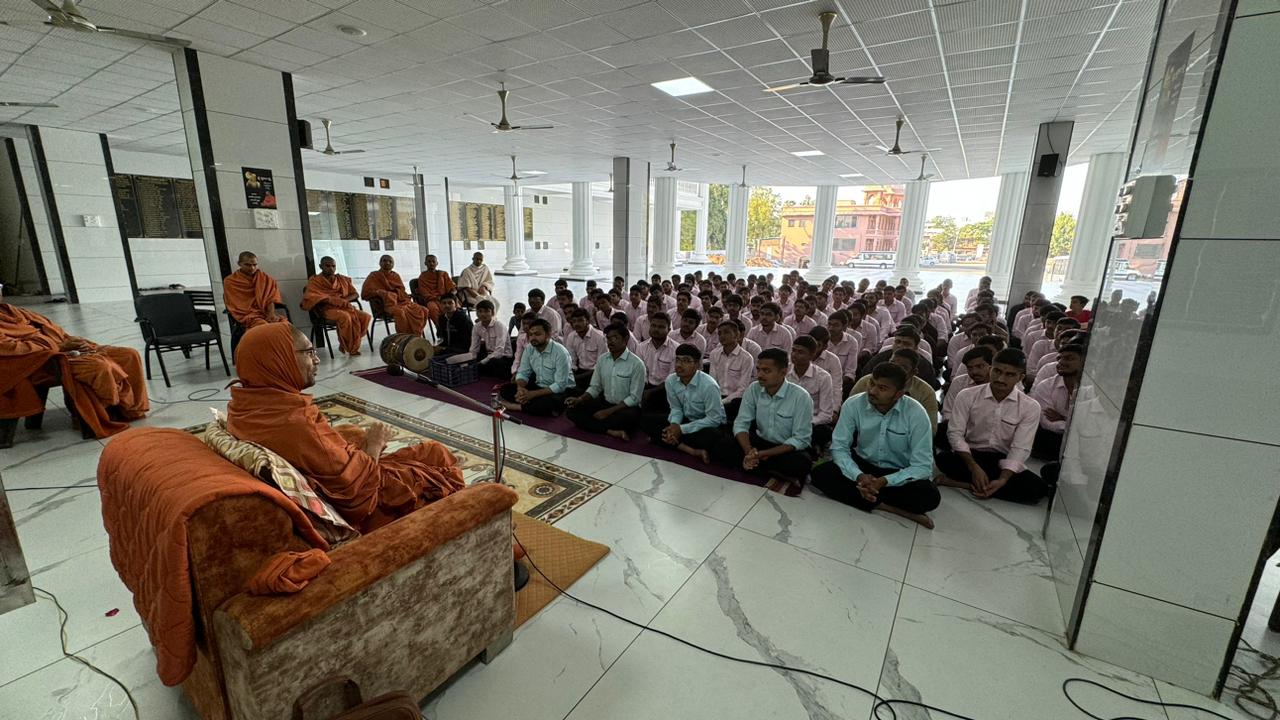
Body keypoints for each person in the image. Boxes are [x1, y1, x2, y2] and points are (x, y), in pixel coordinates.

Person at [225, 323, 463, 533]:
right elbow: (358, 495)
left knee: (431, 452)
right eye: (308, 353)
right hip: (370, 505)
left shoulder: (247, 405)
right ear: (277, 359)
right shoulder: (296, 424)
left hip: (346, 473)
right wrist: (374, 444)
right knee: (439, 458)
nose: (317, 359)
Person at [811, 364, 940, 528]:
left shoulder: (916, 414)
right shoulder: (854, 404)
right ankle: (886, 506)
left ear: (898, 394)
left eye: (882, 388)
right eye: (872, 383)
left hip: (896, 471)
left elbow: (922, 466)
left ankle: (865, 495)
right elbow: (839, 447)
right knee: (821, 473)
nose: (872, 391)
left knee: (930, 496)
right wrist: (859, 476)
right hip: (863, 464)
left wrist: (884, 481)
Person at [1, 301, 149, 440]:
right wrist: (58, 347)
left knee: (129, 354)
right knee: (99, 366)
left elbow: (56, 332)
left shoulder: (13, 311)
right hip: (42, 360)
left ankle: (130, 409)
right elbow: (12, 349)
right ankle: (108, 408)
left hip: (61, 348)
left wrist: (75, 342)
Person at [936, 349, 1046, 504]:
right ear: (990, 369)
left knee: (1038, 489)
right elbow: (955, 433)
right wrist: (974, 468)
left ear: (1020, 377)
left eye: (1009, 375)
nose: (1001, 378)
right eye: (997, 371)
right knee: (943, 459)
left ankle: (965, 484)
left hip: (1001, 460)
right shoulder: (967, 395)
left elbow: (1020, 448)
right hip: (970, 455)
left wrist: (1003, 479)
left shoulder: (1030, 406)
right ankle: (982, 483)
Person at [712, 348, 813, 492]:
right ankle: (765, 468)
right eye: (758, 369)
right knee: (722, 445)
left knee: (801, 463)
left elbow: (800, 439)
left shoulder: (801, 397)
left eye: (766, 371)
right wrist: (748, 451)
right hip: (759, 443)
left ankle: (755, 465)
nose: (760, 375)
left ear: (783, 372)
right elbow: (741, 423)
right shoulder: (754, 388)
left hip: (783, 449)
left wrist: (763, 454)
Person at [643, 344, 725, 463]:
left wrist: (681, 429)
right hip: (685, 419)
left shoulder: (709, 385)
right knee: (647, 421)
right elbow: (676, 409)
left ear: (697, 365)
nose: (679, 365)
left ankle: (667, 440)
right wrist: (674, 425)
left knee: (714, 437)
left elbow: (714, 419)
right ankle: (691, 450)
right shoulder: (671, 380)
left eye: (686, 361)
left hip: (705, 424)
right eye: (678, 360)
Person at [564, 324, 645, 439]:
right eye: (608, 338)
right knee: (572, 412)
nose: (610, 341)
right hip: (605, 402)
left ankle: (600, 427)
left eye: (615, 338)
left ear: (626, 339)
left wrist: (607, 412)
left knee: (628, 419)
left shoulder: (637, 364)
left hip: (625, 408)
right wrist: (580, 399)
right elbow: (595, 387)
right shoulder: (603, 359)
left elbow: (635, 398)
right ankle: (609, 431)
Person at [849, 348, 938, 434]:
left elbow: (930, 429)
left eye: (903, 367)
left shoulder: (926, 392)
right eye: (892, 363)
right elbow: (849, 415)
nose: (895, 369)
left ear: (913, 372)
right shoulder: (866, 382)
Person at [499, 318, 571, 416]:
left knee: (549, 403)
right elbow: (523, 373)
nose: (533, 338)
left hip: (557, 391)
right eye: (531, 334)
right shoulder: (529, 349)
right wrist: (520, 389)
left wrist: (531, 394)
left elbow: (560, 385)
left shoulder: (560, 352)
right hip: (539, 386)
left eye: (537, 334)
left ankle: (516, 406)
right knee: (505, 389)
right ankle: (529, 403)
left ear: (548, 335)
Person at [301, 256, 371, 356]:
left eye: (333, 266)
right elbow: (311, 297)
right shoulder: (315, 281)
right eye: (328, 266)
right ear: (321, 266)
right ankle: (350, 347)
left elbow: (355, 294)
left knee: (365, 317)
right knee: (345, 317)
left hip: (344, 307)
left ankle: (351, 341)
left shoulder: (341, 279)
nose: (331, 268)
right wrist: (330, 300)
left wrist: (343, 300)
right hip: (326, 310)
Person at [1031, 343, 1083, 459]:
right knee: (1040, 435)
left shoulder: (1092, 388)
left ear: (1084, 361)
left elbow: (1091, 425)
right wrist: (1072, 424)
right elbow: (1047, 422)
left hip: (1084, 441)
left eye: (1069, 358)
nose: (1061, 362)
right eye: (1059, 358)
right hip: (1057, 437)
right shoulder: (1045, 386)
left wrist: (1064, 419)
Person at [787, 336, 837, 448]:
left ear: (812, 355)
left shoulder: (823, 377)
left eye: (800, 352)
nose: (794, 354)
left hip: (809, 422)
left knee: (823, 431)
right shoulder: (784, 371)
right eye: (793, 350)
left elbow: (826, 414)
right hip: (785, 419)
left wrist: (806, 423)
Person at [362, 255, 429, 336]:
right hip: (385, 306)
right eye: (384, 261)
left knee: (424, 310)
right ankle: (403, 337)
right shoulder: (374, 276)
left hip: (402, 302)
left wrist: (396, 293)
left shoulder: (395, 275)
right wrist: (382, 293)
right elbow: (366, 292)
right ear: (380, 263)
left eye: (390, 261)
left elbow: (402, 290)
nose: (387, 263)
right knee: (400, 312)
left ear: (393, 264)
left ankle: (415, 335)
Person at [223, 251, 285, 329]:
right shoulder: (230, 281)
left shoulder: (265, 279)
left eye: (255, 265)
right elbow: (235, 304)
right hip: (247, 314)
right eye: (247, 265)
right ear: (239, 264)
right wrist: (253, 314)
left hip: (265, 312)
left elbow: (270, 299)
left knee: (284, 325)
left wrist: (271, 314)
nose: (252, 268)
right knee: (263, 327)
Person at [708, 319, 754, 423]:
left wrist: (722, 402)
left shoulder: (746, 358)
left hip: (735, 399)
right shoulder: (714, 354)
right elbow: (712, 381)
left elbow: (742, 389)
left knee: (735, 405)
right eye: (719, 333)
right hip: (716, 396)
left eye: (726, 332)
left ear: (737, 335)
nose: (722, 336)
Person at [864, 327, 938, 388]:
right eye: (898, 342)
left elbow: (928, 387)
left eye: (906, 343)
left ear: (915, 347)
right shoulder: (879, 359)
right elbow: (866, 378)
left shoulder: (924, 366)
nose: (900, 346)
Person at [637, 311, 676, 413]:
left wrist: (650, 392)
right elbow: (640, 374)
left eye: (661, 327)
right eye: (653, 325)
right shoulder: (641, 347)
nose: (656, 329)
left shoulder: (676, 349)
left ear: (669, 330)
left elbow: (672, 380)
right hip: (645, 387)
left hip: (666, 390)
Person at [564, 308, 608, 389]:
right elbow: (571, 360)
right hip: (580, 371)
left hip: (597, 373)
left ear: (588, 321)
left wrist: (577, 378)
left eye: (580, 320)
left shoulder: (600, 337)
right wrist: (571, 375)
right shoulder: (571, 336)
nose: (576, 324)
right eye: (574, 321)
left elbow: (601, 365)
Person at [469, 300, 512, 378]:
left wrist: (483, 362)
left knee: (493, 362)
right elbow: (474, 347)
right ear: (476, 313)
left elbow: (500, 350)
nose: (483, 314)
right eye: (480, 311)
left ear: (492, 313)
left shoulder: (499, 326)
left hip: (503, 357)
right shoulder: (476, 326)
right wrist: (471, 361)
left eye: (486, 311)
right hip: (489, 355)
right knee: (472, 360)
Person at [824, 312, 862, 398]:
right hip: (820, 380)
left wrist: (835, 383)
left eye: (836, 325)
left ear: (844, 327)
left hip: (842, 382)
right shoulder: (823, 340)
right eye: (829, 324)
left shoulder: (852, 342)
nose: (831, 328)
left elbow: (850, 372)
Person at [413, 254, 455, 325]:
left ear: (437, 263)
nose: (431, 263)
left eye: (433, 261)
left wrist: (451, 295)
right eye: (429, 261)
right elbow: (423, 291)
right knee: (432, 308)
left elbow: (452, 287)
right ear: (425, 263)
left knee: (454, 306)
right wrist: (435, 298)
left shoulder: (443, 274)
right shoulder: (423, 276)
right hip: (432, 299)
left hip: (445, 297)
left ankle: (455, 326)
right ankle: (440, 327)